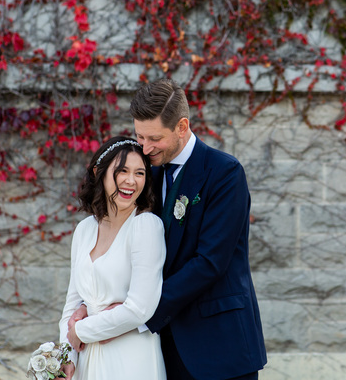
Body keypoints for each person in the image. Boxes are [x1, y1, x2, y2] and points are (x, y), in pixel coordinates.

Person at [130, 78, 267, 380]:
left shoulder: (225, 173)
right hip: (161, 350)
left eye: (154, 138)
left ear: (182, 126)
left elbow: (210, 262)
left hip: (220, 346)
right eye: (139, 136)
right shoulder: (144, 173)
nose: (145, 148)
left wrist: (136, 311)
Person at [58, 137, 166, 380]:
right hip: (86, 356)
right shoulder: (85, 229)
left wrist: (82, 330)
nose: (131, 181)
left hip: (130, 356)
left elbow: (140, 308)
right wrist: (67, 356)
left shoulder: (146, 226)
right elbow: (71, 305)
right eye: (122, 171)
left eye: (139, 173)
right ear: (99, 172)